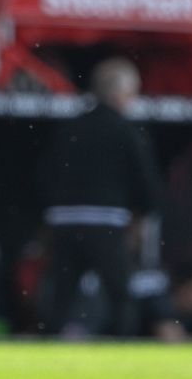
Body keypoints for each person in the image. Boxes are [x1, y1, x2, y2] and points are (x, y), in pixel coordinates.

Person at [38, 58, 163, 336]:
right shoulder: (128, 132)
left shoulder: (69, 129)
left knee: (61, 296)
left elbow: (45, 177)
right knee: (120, 294)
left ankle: (50, 343)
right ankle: (122, 345)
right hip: (106, 224)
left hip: (64, 223)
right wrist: (144, 216)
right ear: (122, 93)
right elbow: (146, 184)